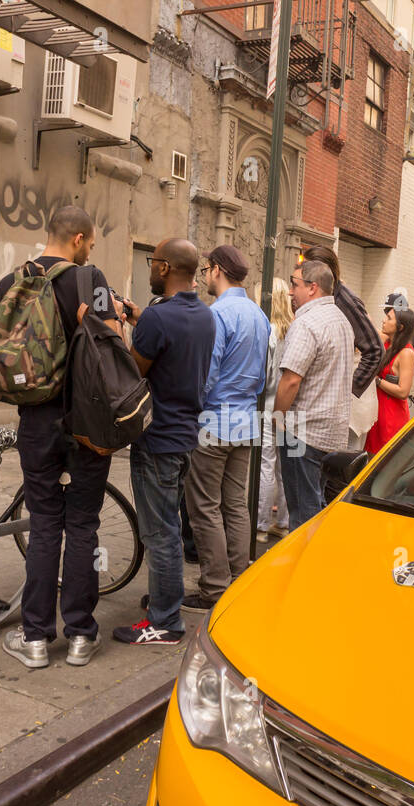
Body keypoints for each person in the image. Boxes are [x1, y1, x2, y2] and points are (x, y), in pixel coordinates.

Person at [0, 205, 131, 670]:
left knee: (44, 523)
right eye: (90, 243)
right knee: (83, 524)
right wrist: (113, 315)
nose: (90, 250)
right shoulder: (87, 278)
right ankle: (80, 635)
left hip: (36, 420)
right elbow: (113, 348)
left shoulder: (10, 283)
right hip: (87, 423)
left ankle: (34, 638)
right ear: (77, 239)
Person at [113, 239, 215, 645]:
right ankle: (164, 599)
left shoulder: (158, 320)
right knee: (169, 525)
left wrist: (119, 329)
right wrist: (140, 318)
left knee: (160, 533)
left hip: (156, 438)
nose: (150, 267)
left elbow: (131, 371)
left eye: (153, 262)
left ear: (166, 267)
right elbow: (170, 342)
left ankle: (165, 621)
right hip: (185, 434)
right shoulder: (204, 316)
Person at [183, 245, 269, 612]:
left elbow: (208, 371)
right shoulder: (258, 315)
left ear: (216, 270)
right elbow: (263, 375)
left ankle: (215, 587)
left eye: (206, 270)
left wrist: (192, 405)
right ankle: (238, 578)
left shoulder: (217, 314)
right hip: (246, 421)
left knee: (204, 507)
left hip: (215, 421)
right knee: (235, 505)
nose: (203, 276)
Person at [275, 259, 354, 530]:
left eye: (294, 284)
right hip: (332, 434)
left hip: (304, 433)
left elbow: (290, 380)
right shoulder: (341, 320)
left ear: (313, 288)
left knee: (303, 512)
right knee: (318, 505)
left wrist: (277, 419)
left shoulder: (307, 323)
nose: (290, 292)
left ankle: (304, 568)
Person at [300, 245, 384, 450]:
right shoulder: (327, 299)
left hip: (349, 414)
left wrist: (347, 389)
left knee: (339, 474)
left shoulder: (345, 300)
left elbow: (375, 350)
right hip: (326, 410)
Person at [257, 277, 294, 542]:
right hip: (292, 408)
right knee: (285, 469)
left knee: (265, 466)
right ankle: (283, 521)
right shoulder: (295, 330)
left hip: (270, 405)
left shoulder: (266, 331)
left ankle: (260, 525)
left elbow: (265, 376)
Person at [365, 306, 414, 455]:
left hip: (391, 418)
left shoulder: (406, 353)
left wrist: (377, 381)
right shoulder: (387, 342)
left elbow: (403, 391)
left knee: (383, 464)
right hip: (377, 415)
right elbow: (367, 326)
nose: (384, 320)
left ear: (400, 327)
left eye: (389, 318)